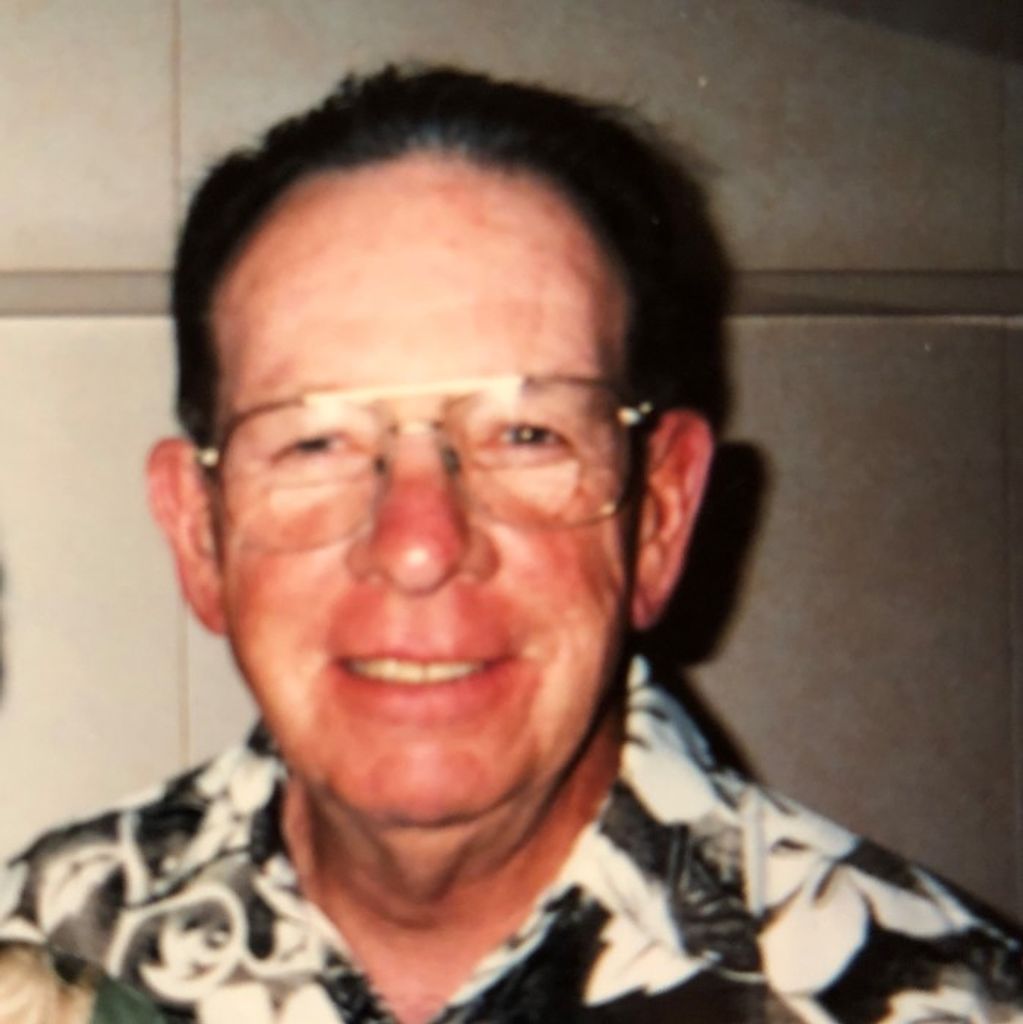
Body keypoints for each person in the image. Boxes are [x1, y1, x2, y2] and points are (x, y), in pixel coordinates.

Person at [0, 65, 1020, 1024]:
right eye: (315, 441)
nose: (418, 545)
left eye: (525, 435)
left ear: (660, 514)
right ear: (198, 532)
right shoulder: (38, 951)